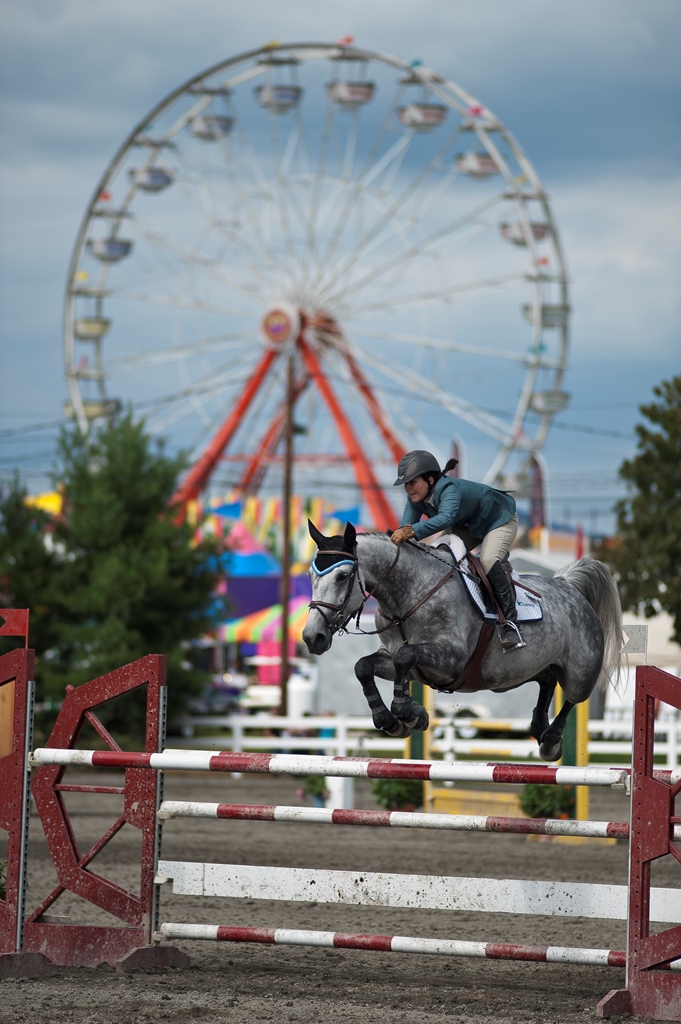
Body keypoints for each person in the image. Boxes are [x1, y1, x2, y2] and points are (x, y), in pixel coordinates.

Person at [391, 450, 525, 652]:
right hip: (468, 527)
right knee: (437, 558)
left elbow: (444, 519)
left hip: (498, 521)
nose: (408, 488)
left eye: (412, 482)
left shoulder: (449, 488)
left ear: (430, 479)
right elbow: (405, 528)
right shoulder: (415, 499)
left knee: (488, 560)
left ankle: (511, 624)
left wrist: (410, 531)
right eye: (405, 484)